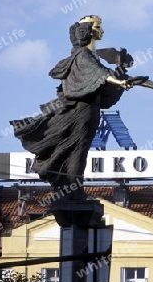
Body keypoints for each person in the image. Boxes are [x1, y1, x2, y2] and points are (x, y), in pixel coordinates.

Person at [10, 15, 139, 200]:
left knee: (80, 150)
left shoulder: (91, 56)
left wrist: (122, 72)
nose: (101, 31)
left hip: (90, 111)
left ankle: (71, 188)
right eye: (98, 26)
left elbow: (103, 87)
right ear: (86, 31)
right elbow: (99, 74)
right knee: (77, 151)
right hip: (81, 112)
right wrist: (120, 79)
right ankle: (71, 189)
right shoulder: (82, 55)